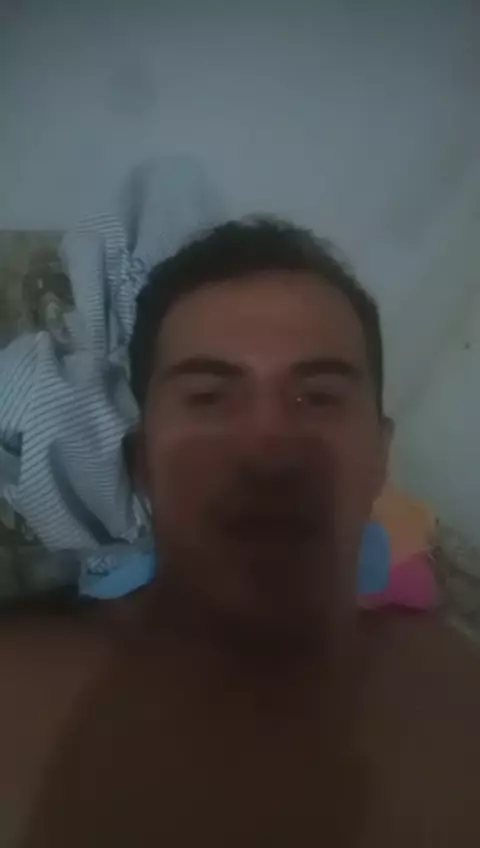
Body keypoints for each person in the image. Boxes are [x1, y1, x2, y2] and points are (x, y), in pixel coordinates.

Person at [1, 219, 479, 847]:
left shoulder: (457, 691)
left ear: (379, 456)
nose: (268, 452)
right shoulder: (21, 696)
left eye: (318, 397)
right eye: (209, 398)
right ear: (142, 462)